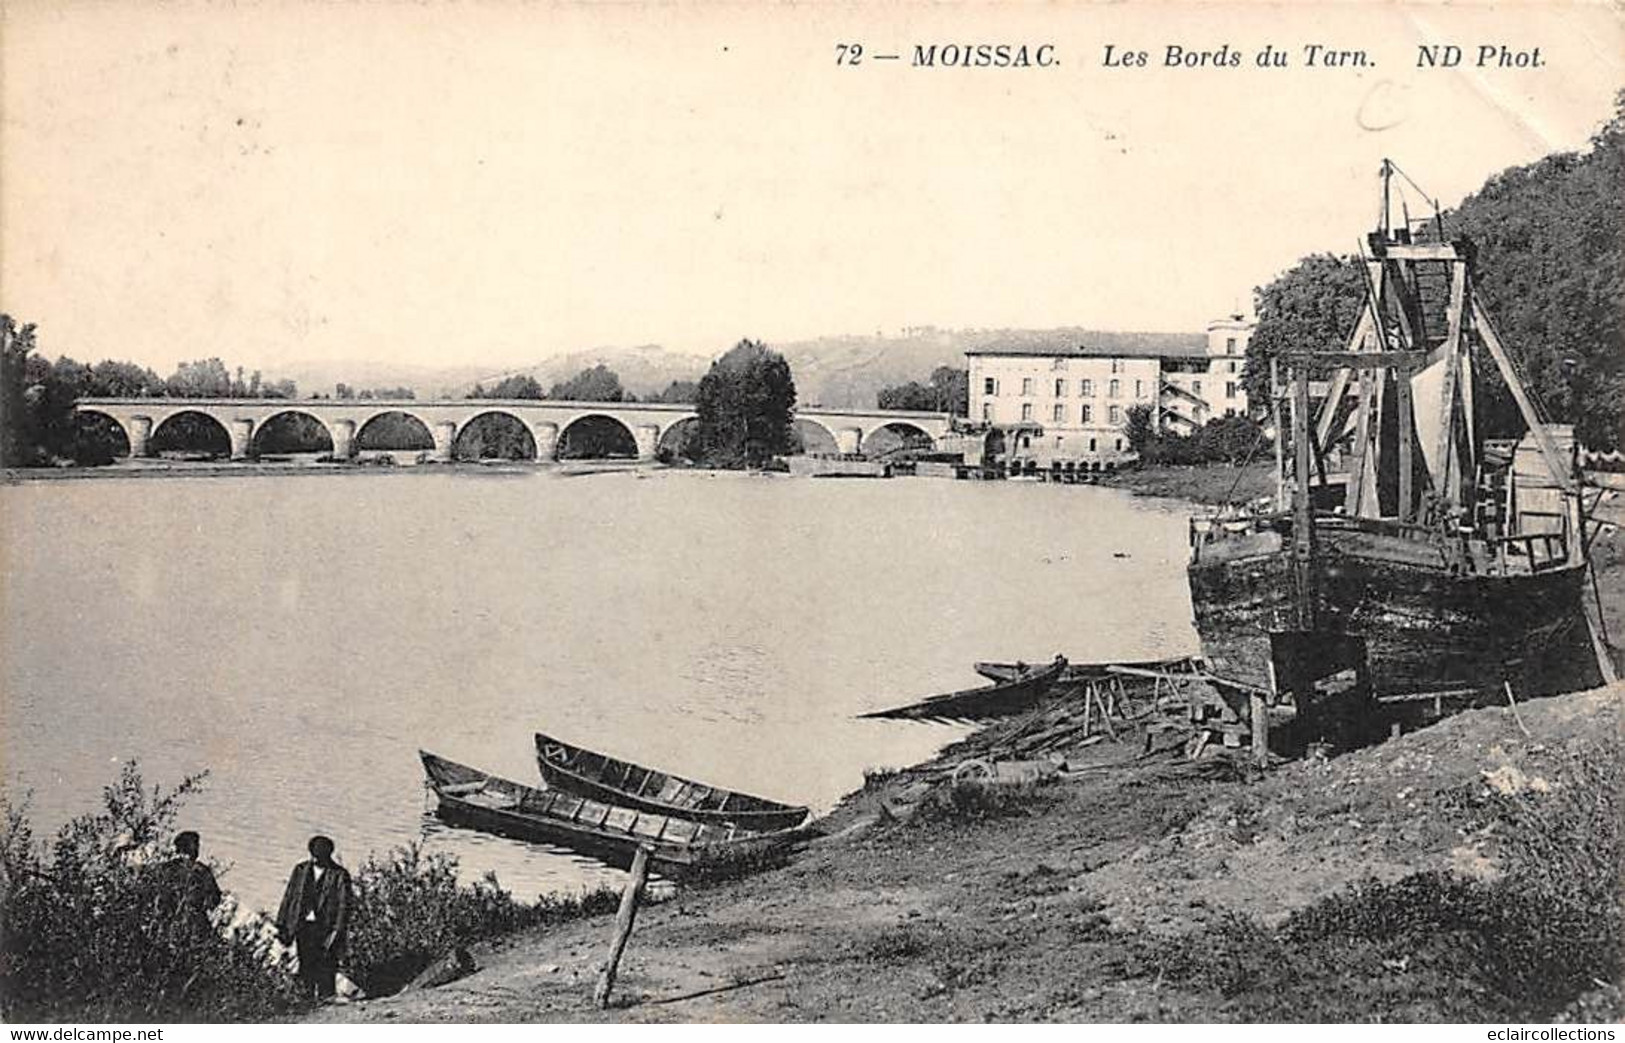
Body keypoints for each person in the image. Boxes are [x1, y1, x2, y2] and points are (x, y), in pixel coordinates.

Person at [275, 835, 353, 1001]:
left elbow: (344, 906)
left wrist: (337, 931)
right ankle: (307, 998)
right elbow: (289, 897)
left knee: (326, 963)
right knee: (305, 962)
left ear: (328, 854)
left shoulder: (339, 874)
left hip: (326, 927)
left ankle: (326, 999)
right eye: (314, 855)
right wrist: (282, 924)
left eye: (320, 856)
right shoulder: (300, 870)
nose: (316, 859)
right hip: (302, 925)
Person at [158, 830, 223, 929]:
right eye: (196, 845)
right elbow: (214, 900)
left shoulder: (166, 868)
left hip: (168, 920)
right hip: (194, 922)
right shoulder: (202, 871)